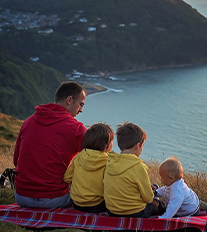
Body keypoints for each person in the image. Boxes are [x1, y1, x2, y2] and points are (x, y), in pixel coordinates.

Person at [12, 81, 87, 209]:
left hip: (21, 197)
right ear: (69, 100)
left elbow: (16, 161)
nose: (81, 110)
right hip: (55, 199)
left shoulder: (28, 122)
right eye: (81, 104)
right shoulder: (76, 128)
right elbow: (96, 161)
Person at [104, 122, 161, 218]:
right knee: (157, 203)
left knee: (152, 187)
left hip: (112, 210)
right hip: (134, 213)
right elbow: (148, 199)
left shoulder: (110, 161)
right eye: (142, 146)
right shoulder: (139, 167)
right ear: (137, 145)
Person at [63, 122, 114, 213]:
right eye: (111, 141)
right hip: (97, 205)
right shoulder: (108, 161)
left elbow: (67, 177)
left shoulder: (79, 156)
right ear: (106, 144)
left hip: (76, 203)